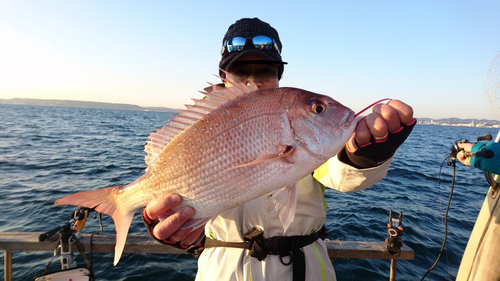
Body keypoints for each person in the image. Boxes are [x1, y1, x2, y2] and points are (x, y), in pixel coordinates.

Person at [142, 18, 415, 280]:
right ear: (225, 78)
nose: (254, 81)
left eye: (265, 71)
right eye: (240, 73)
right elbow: (169, 191)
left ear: (278, 77)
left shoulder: (302, 131)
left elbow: (340, 172)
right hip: (223, 271)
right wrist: (163, 222)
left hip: (304, 270)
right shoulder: (200, 128)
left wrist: (366, 156)